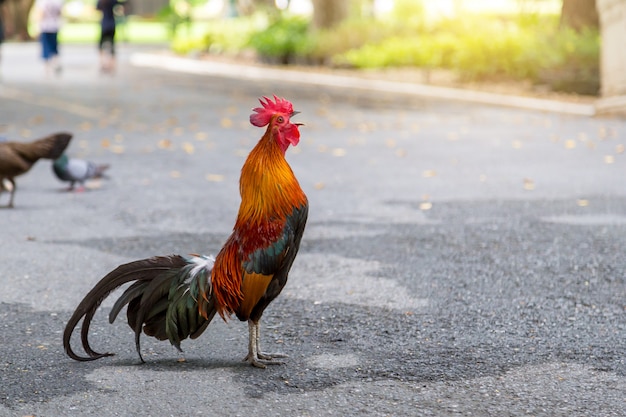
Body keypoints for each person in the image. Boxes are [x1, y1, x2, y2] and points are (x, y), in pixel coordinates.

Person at [33, 0, 64, 76]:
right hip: (54, 25)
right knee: (54, 45)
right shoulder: (58, 1)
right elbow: (60, 12)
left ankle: (47, 67)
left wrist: (37, 24)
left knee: (45, 47)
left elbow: (41, 13)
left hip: (45, 26)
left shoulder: (42, 1)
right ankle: (55, 62)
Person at [97, 0, 121, 73]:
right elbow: (119, 6)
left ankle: (102, 63)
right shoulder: (112, 1)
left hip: (104, 24)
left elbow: (98, 8)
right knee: (112, 45)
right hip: (111, 24)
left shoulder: (101, 1)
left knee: (101, 46)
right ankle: (112, 65)